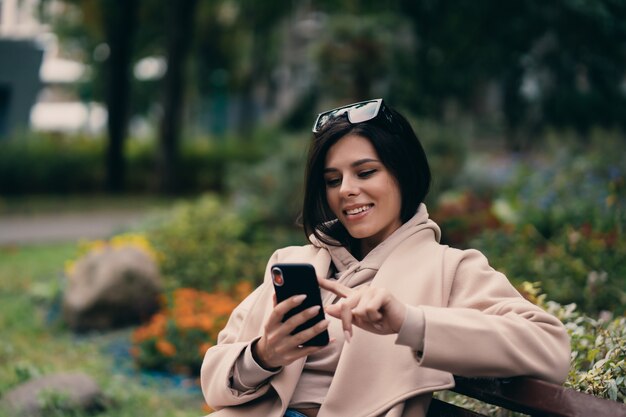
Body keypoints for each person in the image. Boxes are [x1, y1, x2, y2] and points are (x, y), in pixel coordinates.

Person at [200, 99, 571, 417]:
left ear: (403, 174)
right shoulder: (295, 262)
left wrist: (408, 321)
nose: (346, 190)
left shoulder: (449, 268)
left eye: (365, 172)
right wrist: (264, 354)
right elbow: (215, 380)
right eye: (332, 179)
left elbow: (550, 348)